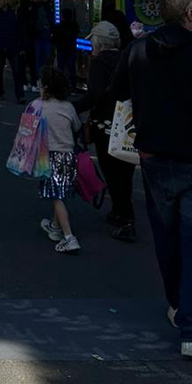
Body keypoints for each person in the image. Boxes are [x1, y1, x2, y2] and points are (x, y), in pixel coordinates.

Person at [110, 0, 192, 359]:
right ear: (190, 15)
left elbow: (116, 92)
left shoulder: (138, 51)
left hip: (153, 157)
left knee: (166, 238)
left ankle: (178, 305)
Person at [75, 21, 134, 240]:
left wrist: (72, 107)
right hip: (127, 121)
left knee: (111, 170)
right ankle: (121, 210)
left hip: (105, 123)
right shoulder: (127, 58)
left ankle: (125, 215)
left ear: (97, 42)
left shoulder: (99, 63)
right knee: (125, 170)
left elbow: (95, 94)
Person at [33, 65, 82, 254]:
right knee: (60, 192)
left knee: (56, 197)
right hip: (69, 155)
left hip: (50, 155)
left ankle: (69, 237)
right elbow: (76, 125)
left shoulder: (39, 106)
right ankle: (55, 226)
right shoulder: (68, 107)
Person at [0, 0, 24, 102]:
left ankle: (20, 95)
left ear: (6, 1)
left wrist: (20, 46)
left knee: (17, 71)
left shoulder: (13, 13)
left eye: (0, 0)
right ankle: (0, 92)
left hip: (12, 46)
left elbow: (19, 30)